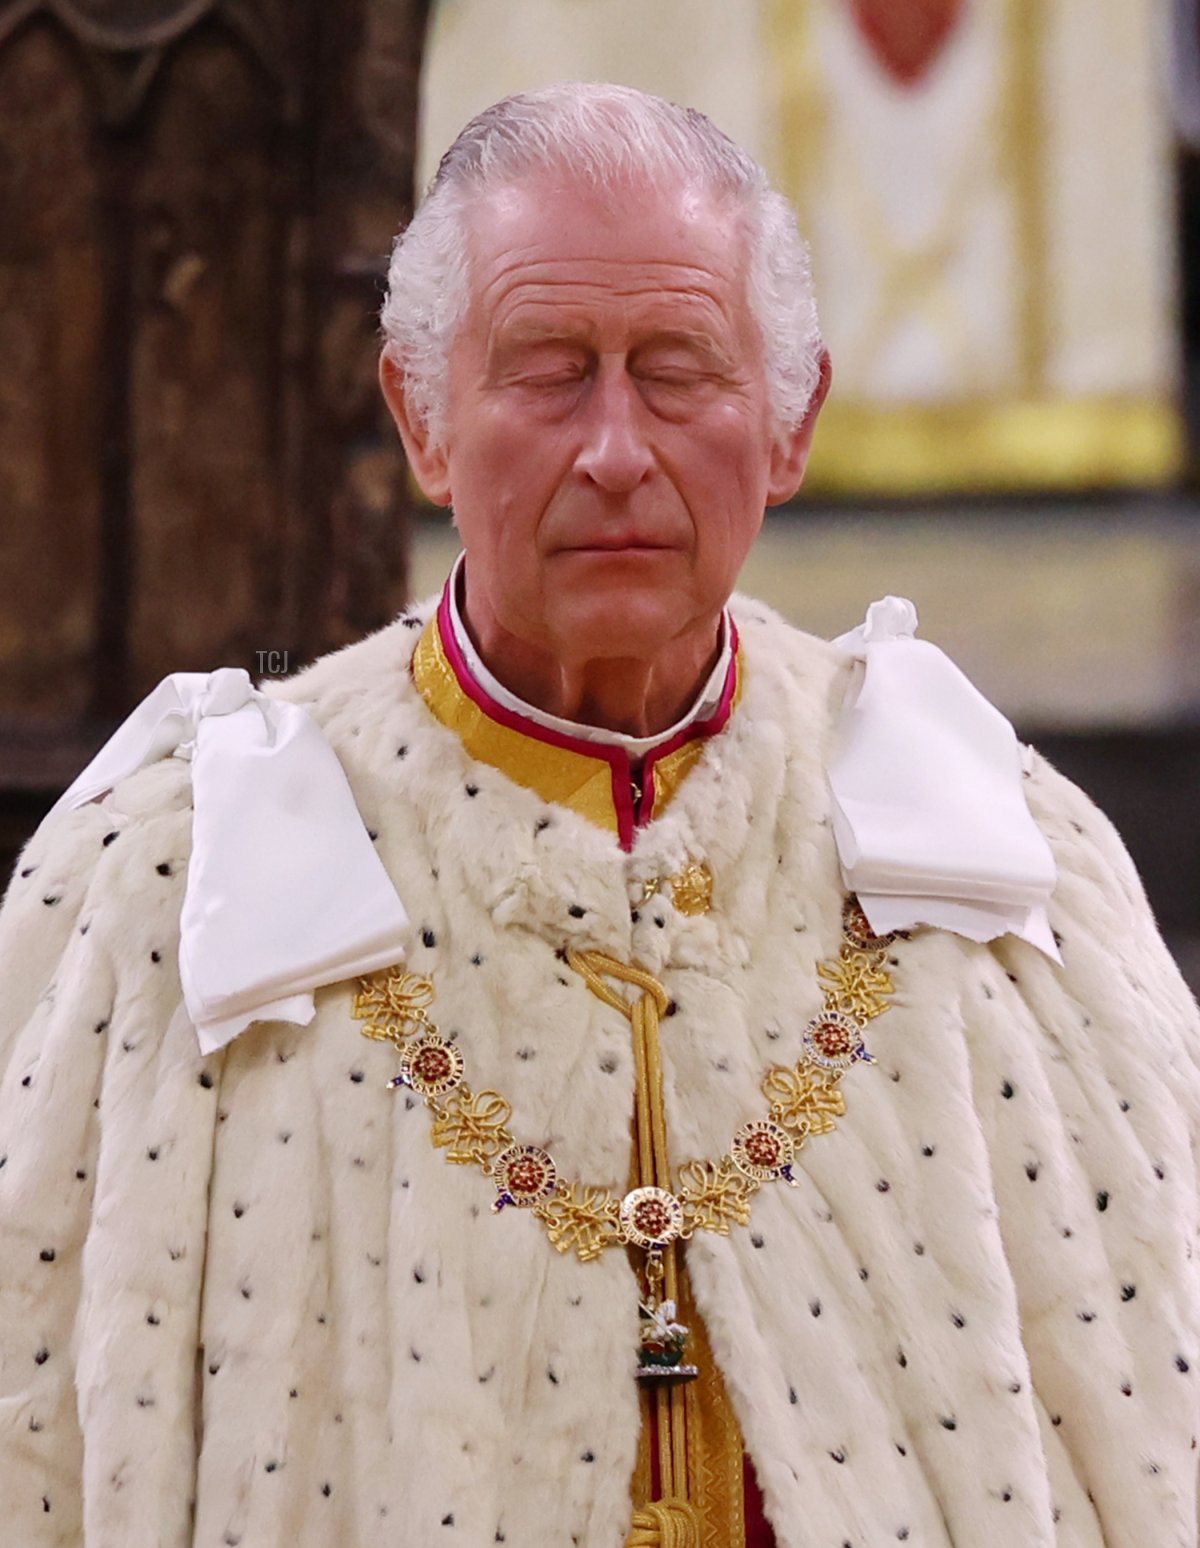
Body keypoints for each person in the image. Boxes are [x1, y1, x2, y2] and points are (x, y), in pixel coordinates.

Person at [1, 82, 1197, 1548]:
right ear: (422, 423)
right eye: (550, 371)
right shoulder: (172, 879)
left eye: (678, 370)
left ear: (789, 423)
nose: (617, 450)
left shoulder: (1013, 867)